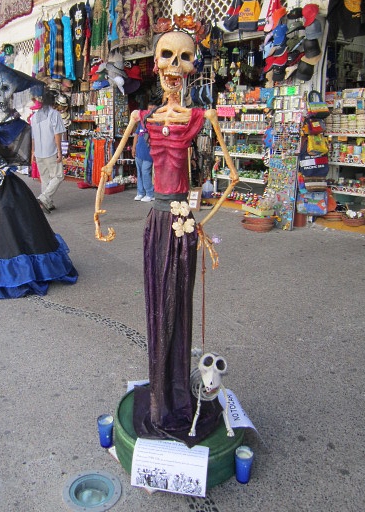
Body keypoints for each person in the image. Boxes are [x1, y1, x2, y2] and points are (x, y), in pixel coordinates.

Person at [95, 30, 239, 444]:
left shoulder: (201, 117)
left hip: (182, 222)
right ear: (156, 63)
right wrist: (97, 212)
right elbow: (106, 170)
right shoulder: (141, 118)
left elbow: (229, 178)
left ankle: (175, 391)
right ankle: (162, 392)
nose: (175, 68)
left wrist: (201, 221)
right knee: (157, 303)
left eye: (184, 59)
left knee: (179, 303)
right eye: (167, 57)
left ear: (193, 67)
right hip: (156, 223)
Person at [0, 59, 78, 299]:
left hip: (9, 180)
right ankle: (10, 270)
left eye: (6, 89)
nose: (1, 94)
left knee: (20, 217)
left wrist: (2, 166)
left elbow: (19, 156)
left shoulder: (18, 124)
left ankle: (27, 267)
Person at [30, 89, 66, 213]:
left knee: (45, 178)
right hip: (50, 150)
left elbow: (33, 137)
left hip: (39, 152)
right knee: (59, 176)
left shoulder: (34, 117)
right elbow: (57, 134)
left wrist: (33, 152)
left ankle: (48, 203)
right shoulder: (54, 114)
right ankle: (44, 198)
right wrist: (60, 151)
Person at [132, 104, 155, 202]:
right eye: (148, 108)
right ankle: (140, 192)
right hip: (139, 151)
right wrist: (133, 147)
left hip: (149, 152)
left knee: (145, 172)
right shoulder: (142, 122)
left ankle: (150, 193)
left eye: (152, 108)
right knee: (140, 172)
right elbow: (136, 135)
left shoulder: (156, 123)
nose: (149, 110)